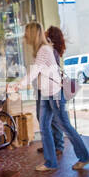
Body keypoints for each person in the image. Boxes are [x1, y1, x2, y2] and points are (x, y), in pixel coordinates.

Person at [13, 22, 89, 173]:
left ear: (33, 35)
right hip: (45, 94)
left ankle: (84, 156)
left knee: (65, 127)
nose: (24, 37)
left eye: (26, 34)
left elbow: (34, 72)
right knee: (44, 127)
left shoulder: (44, 50)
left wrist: (19, 85)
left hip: (54, 94)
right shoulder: (42, 50)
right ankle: (50, 162)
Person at [35, 25, 66, 156]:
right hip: (43, 87)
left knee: (52, 119)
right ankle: (50, 144)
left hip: (50, 88)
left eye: (47, 32)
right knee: (43, 118)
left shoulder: (50, 50)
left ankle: (58, 145)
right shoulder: (47, 49)